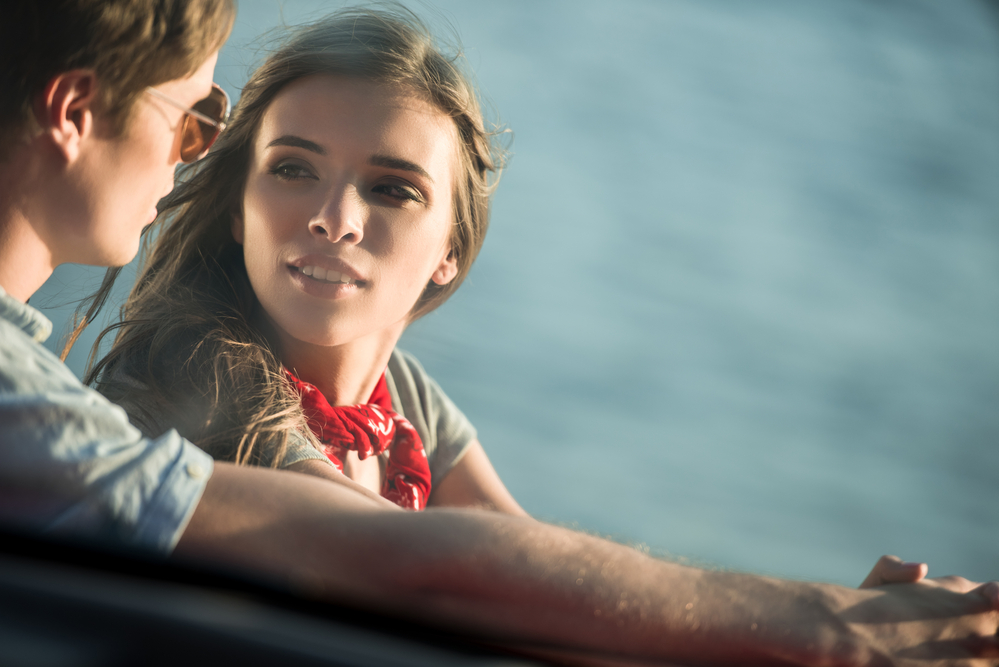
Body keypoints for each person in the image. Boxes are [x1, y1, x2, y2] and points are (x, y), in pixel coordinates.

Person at [1, 3, 997, 665]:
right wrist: (823, 627)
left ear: (451, 251)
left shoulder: (411, 406)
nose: (333, 218)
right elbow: (427, 565)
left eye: (391, 190)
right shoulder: (192, 379)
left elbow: (531, 566)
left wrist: (813, 628)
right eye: (290, 167)